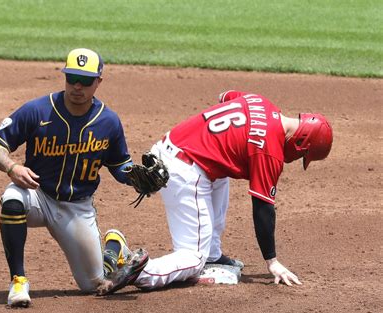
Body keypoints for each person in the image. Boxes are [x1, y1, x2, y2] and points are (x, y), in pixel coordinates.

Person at [109, 90, 333, 291]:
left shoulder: (260, 101)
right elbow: (263, 208)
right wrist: (271, 261)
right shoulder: (270, 151)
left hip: (171, 147)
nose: (298, 159)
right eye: (303, 156)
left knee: (222, 170)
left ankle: (213, 256)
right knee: (193, 259)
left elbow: (226, 96)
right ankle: (140, 269)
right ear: (301, 143)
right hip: (185, 171)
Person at [0, 48, 148, 307]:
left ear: (99, 82)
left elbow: (119, 165)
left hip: (76, 208)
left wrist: (136, 177)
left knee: (93, 284)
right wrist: (12, 167)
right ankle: (18, 281)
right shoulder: (38, 110)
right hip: (38, 195)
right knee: (12, 199)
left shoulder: (108, 121)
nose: (77, 87)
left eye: (85, 81)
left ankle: (114, 245)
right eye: (72, 78)